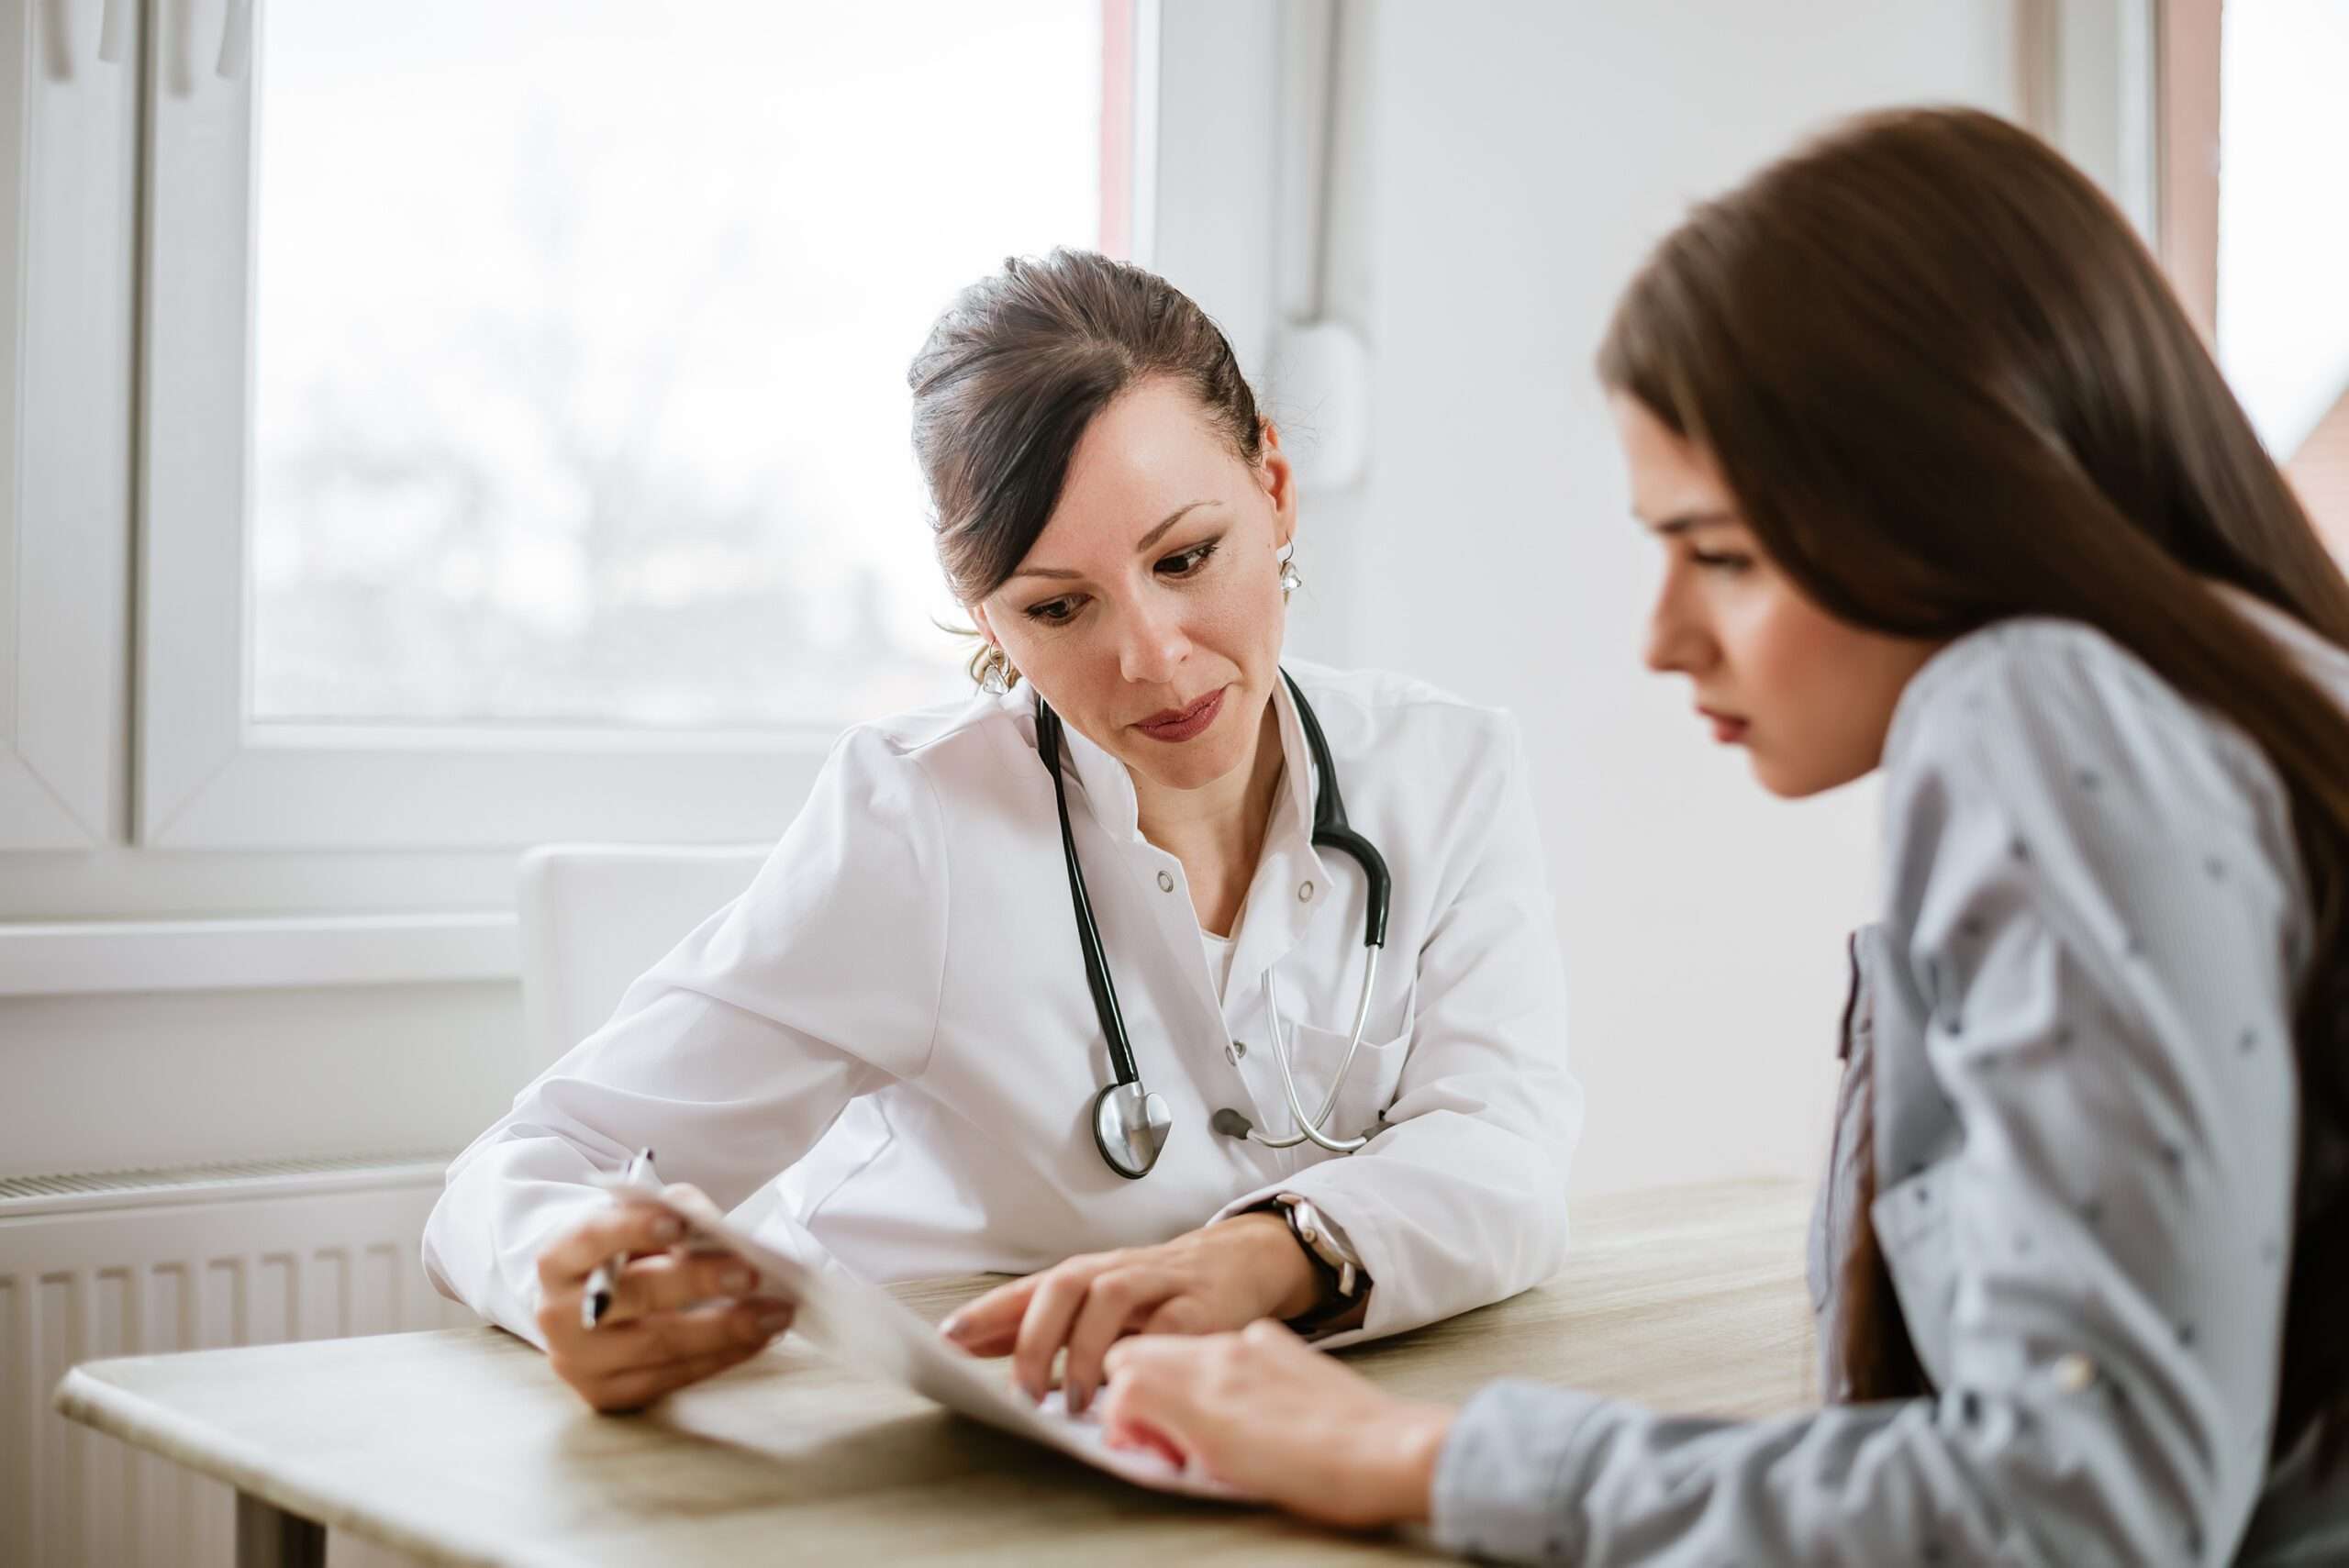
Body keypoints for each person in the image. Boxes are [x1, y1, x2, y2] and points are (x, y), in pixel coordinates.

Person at [1087, 108, 2349, 1564]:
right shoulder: (2268, 691)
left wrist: (1426, 1455)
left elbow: (2073, 1509)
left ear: (1969, 500)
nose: (1664, 638)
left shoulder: (2033, 704)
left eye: (1725, 555)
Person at [423, 249, 1583, 1417]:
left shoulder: (1446, 770)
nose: (1152, 654)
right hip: (927, 1446)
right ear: (984, 614)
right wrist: (566, 1279)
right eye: (1056, 605)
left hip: (1268, 1440)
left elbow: (1509, 1149)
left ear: (1273, 486)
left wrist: (1264, 1255)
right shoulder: (914, 822)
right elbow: (523, 1168)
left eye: (1186, 557)